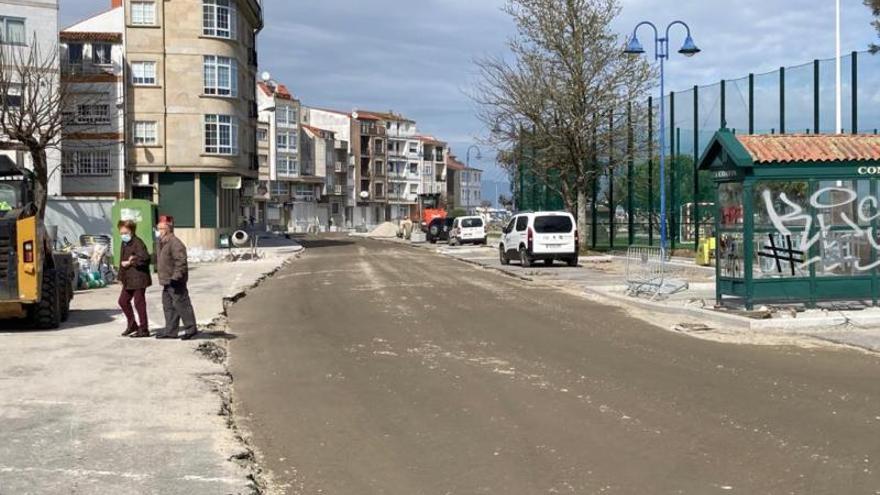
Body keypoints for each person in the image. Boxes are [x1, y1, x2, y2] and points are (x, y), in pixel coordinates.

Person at [155, 218, 198, 340]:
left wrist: (176, 277)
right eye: (158, 228)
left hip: (175, 281)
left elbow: (181, 262)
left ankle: (191, 329)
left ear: (168, 229)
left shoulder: (175, 243)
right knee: (168, 307)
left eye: (161, 229)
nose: (159, 231)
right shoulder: (161, 242)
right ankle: (170, 331)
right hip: (166, 281)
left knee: (182, 305)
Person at [117, 220, 151, 338]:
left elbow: (145, 259)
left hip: (139, 277)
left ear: (131, 231)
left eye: (125, 232)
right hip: (128, 278)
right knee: (123, 301)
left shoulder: (138, 242)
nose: (123, 235)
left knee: (139, 303)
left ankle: (144, 329)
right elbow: (122, 261)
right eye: (121, 233)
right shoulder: (124, 243)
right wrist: (120, 277)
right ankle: (132, 325)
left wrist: (131, 262)